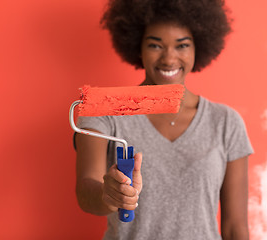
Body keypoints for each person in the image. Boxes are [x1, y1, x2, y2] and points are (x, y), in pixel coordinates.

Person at [74, 0, 253, 239]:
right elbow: (86, 189)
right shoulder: (106, 113)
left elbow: (235, 228)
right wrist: (108, 195)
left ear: (197, 47)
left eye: (182, 46)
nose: (169, 59)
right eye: (155, 45)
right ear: (138, 47)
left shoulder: (226, 122)